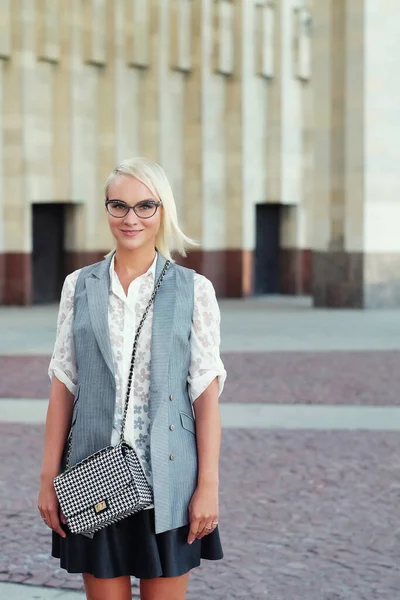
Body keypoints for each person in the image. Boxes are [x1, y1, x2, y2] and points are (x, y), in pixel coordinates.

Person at [37, 157, 227, 600]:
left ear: (163, 211)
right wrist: (48, 479)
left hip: (171, 480)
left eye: (145, 206)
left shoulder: (193, 289)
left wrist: (209, 487)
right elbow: (64, 386)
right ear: (106, 209)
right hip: (91, 474)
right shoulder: (78, 286)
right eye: (118, 205)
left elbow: (205, 396)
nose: (130, 218)